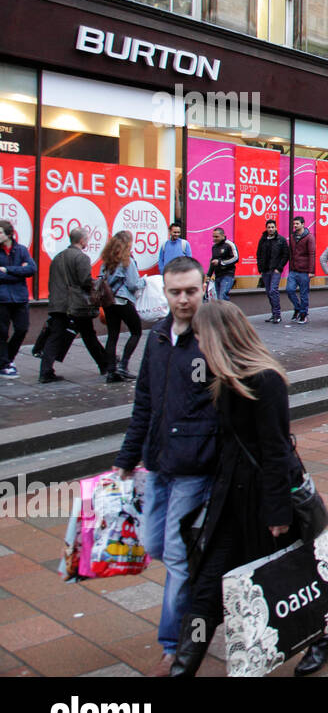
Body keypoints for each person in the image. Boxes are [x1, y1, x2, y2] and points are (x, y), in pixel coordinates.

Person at [175, 300, 328, 677]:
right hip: (229, 500)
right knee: (206, 587)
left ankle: (320, 638)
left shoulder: (265, 380)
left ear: (219, 337)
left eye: (201, 337)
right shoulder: (222, 378)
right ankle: (182, 669)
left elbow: (277, 449)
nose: (198, 346)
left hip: (265, 500)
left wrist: (277, 512)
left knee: (285, 577)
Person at [111, 256, 215, 675]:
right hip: (157, 463)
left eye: (191, 290)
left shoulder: (212, 338)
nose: (184, 299)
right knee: (154, 545)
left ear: (203, 288)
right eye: (176, 292)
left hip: (195, 467)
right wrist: (126, 458)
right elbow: (145, 404)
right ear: (165, 292)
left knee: (175, 554)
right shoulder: (157, 339)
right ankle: (208, 600)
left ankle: (174, 646)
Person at [41, 227, 123, 383]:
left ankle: (45, 371)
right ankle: (104, 364)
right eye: (87, 239)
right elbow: (85, 281)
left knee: (56, 335)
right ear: (82, 240)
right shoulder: (81, 258)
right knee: (88, 334)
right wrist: (97, 286)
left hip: (59, 303)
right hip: (76, 305)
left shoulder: (59, 257)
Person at [100, 231, 144, 379]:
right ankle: (123, 366)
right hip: (122, 300)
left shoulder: (106, 261)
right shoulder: (127, 261)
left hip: (108, 302)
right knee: (136, 331)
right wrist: (144, 281)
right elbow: (133, 284)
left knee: (112, 335)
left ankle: (111, 371)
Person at [0, 220, 36, 379]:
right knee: (1, 333)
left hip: (20, 298)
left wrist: (7, 270)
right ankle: (5, 364)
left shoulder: (20, 250)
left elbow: (31, 269)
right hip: (2, 298)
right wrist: (18, 271)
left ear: (8, 234)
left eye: (0, 232)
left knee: (22, 329)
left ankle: (7, 359)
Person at [256, 219, 290, 324]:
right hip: (265, 270)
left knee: (273, 290)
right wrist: (260, 268)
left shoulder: (281, 240)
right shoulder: (263, 239)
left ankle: (277, 315)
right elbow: (259, 254)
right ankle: (273, 314)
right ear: (266, 228)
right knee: (268, 292)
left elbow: (286, 255)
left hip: (275, 270)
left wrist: (279, 268)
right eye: (269, 227)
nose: (270, 229)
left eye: (272, 227)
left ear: (276, 228)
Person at [286, 216, 314, 324]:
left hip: (304, 271)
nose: (295, 226)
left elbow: (312, 254)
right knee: (289, 290)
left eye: (297, 224)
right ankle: (297, 308)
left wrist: (311, 271)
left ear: (303, 224)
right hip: (294, 270)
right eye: (294, 224)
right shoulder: (292, 237)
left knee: (304, 294)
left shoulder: (309, 237)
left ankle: (303, 314)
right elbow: (291, 253)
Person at [205, 227, 239, 301]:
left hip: (228, 274)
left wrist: (220, 262)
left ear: (223, 236)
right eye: (213, 236)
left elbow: (236, 258)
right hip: (218, 275)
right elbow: (213, 261)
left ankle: (226, 312)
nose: (214, 239)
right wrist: (209, 275)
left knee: (223, 296)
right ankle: (223, 312)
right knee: (218, 298)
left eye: (216, 236)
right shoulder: (214, 247)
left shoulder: (229, 244)